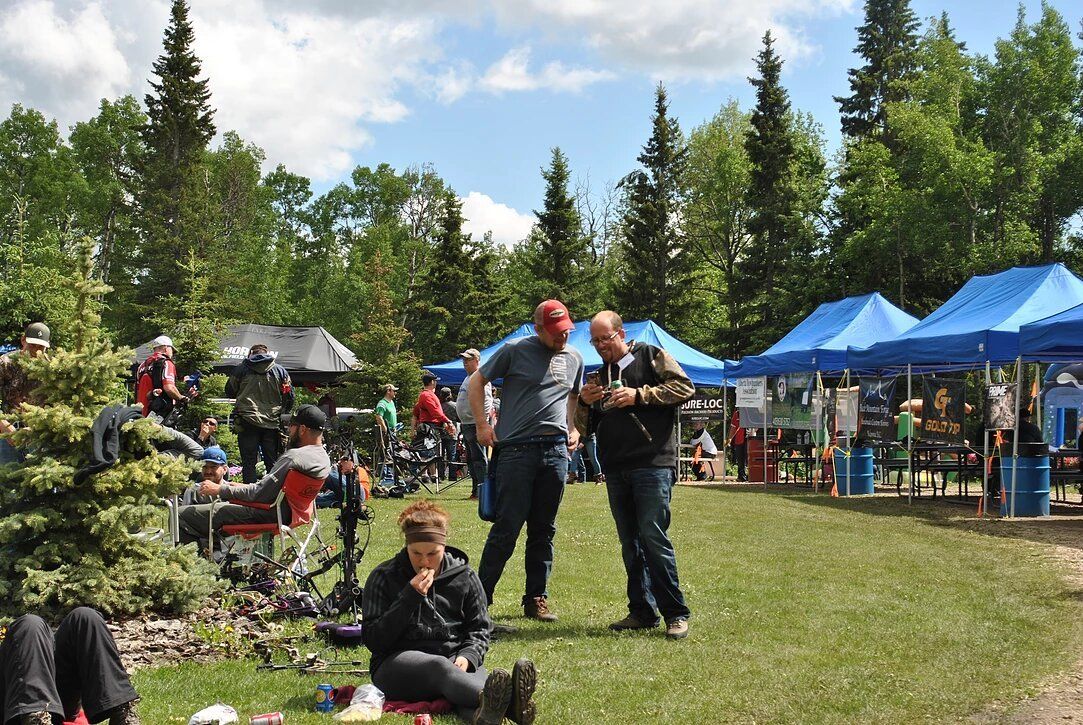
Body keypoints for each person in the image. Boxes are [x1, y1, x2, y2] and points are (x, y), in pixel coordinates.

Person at [362, 500, 538, 725]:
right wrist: (409, 597)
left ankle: (485, 718)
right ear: (406, 546)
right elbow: (375, 640)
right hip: (397, 663)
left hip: (455, 659)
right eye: (416, 553)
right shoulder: (384, 576)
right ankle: (513, 704)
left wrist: (468, 656)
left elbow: (480, 629)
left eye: (432, 553)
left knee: (464, 693)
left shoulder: (465, 576)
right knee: (441, 668)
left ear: (444, 547)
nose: (424, 561)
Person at [578, 310, 694, 640]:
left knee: (653, 538)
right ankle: (641, 610)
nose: (601, 345)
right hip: (616, 468)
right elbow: (584, 429)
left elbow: (685, 387)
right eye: (595, 340)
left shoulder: (650, 356)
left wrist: (639, 394)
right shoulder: (599, 377)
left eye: (605, 338)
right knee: (630, 543)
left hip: (652, 463)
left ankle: (675, 613)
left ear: (621, 333)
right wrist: (584, 404)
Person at [471, 300, 583, 622]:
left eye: (566, 332)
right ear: (538, 329)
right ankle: (479, 602)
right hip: (517, 451)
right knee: (507, 528)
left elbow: (573, 394)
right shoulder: (514, 349)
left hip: (555, 453)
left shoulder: (574, 357)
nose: (562, 338)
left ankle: (536, 598)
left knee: (544, 529)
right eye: (555, 333)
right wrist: (482, 424)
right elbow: (477, 381)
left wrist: (572, 426)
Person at [177, 404, 331, 546]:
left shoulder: (294, 457)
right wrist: (239, 486)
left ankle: (204, 561)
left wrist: (220, 489)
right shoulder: (323, 459)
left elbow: (258, 494)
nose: (288, 431)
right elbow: (269, 490)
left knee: (181, 515)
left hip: (266, 513)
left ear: (302, 429)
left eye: (291, 426)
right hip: (289, 512)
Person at [0, 607, 140, 724]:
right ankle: (35, 715)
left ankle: (122, 712)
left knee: (85, 617)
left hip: (53, 701)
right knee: (29, 625)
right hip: (11, 702)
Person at [225, 344, 294, 484]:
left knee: (248, 462)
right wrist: (283, 412)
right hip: (272, 422)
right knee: (273, 463)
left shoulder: (241, 369)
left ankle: (248, 499)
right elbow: (290, 395)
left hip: (247, 420)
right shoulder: (280, 371)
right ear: (267, 354)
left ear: (251, 354)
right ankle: (272, 496)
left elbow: (230, 390)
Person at [0, 322, 50, 465]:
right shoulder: (5, 363)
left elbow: (59, 403)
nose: (36, 350)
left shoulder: (51, 369)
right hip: (8, 433)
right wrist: (4, 425)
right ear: (23, 340)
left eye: (41, 347)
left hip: (39, 434)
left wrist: (38, 425)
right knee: (6, 480)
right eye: (32, 345)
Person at [456, 349, 492, 500]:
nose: (465, 362)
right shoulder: (468, 378)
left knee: (479, 459)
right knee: (471, 459)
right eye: (464, 359)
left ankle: (483, 492)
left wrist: (481, 423)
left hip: (475, 424)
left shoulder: (481, 377)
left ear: (477, 360)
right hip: (466, 424)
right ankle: (475, 491)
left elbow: (487, 402)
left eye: (468, 359)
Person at [413, 373, 454, 484]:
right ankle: (426, 475)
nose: (436, 382)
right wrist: (447, 421)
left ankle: (432, 475)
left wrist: (444, 422)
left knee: (431, 452)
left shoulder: (429, 395)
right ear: (432, 382)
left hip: (433, 426)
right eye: (435, 381)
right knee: (427, 451)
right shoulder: (426, 395)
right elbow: (435, 412)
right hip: (428, 426)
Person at [135, 335, 185, 419]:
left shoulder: (142, 366)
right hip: (158, 413)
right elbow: (169, 388)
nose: (172, 353)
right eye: (172, 350)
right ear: (166, 348)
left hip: (140, 413)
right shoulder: (166, 363)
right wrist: (181, 398)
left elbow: (137, 389)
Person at [439, 387, 460, 480]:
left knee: (441, 456)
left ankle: (440, 475)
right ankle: (452, 476)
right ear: (450, 394)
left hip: (441, 432)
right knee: (452, 455)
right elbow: (459, 418)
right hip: (452, 433)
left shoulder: (439, 406)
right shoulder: (455, 405)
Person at [728, 408, 747, 482]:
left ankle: (751, 475)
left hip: (750, 439)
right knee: (740, 458)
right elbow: (733, 427)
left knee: (748, 458)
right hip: (739, 440)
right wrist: (729, 439)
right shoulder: (737, 413)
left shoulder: (752, 412)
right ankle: (741, 476)